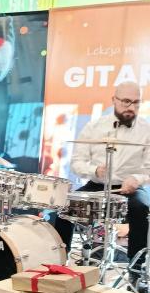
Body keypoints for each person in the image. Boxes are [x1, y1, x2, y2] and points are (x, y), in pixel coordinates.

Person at [54, 81, 150, 275]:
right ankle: (60, 263)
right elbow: (76, 162)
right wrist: (95, 170)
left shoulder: (146, 130)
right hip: (96, 186)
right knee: (64, 207)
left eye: (136, 103)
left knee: (142, 208)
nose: (131, 107)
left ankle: (136, 269)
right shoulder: (94, 127)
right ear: (114, 99)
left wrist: (137, 178)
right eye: (126, 101)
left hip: (129, 188)